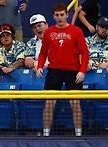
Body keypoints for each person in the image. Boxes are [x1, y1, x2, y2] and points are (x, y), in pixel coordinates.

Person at [36, 3, 89, 137]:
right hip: (54, 71)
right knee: (49, 103)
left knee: (75, 104)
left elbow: (85, 53)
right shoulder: (48, 32)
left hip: (73, 71)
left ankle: (78, 134)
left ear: (67, 15)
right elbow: (42, 53)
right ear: (53, 16)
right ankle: (46, 133)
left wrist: (82, 71)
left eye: (62, 15)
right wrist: (40, 66)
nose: (60, 17)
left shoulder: (76, 31)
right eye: (57, 15)